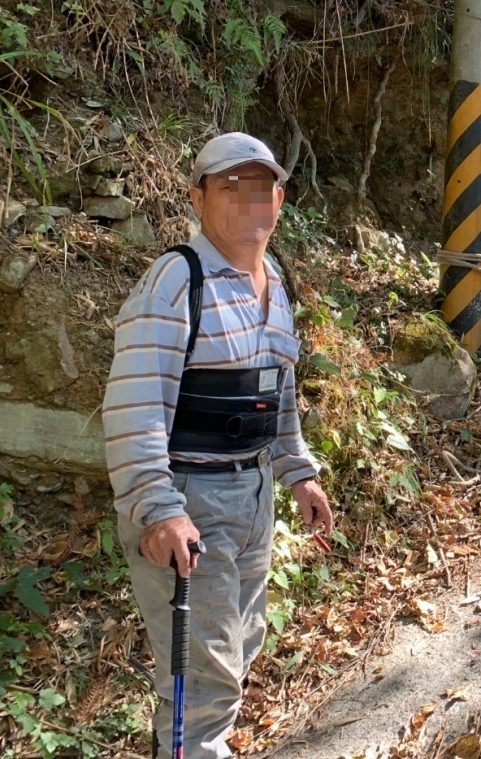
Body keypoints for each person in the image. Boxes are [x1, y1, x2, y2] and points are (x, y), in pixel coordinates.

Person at [103, 133, 335, 757]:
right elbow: (135, 403)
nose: (247, 201)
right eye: (229, 187)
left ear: (279, 199)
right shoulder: (180, 279)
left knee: (240, 643)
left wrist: (297, 472)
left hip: (254, 495)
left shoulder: (275, 283)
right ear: (197, 198)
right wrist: (157, 508)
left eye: (260, 187)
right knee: (202, 672)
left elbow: (277, 394)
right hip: (189, 497)